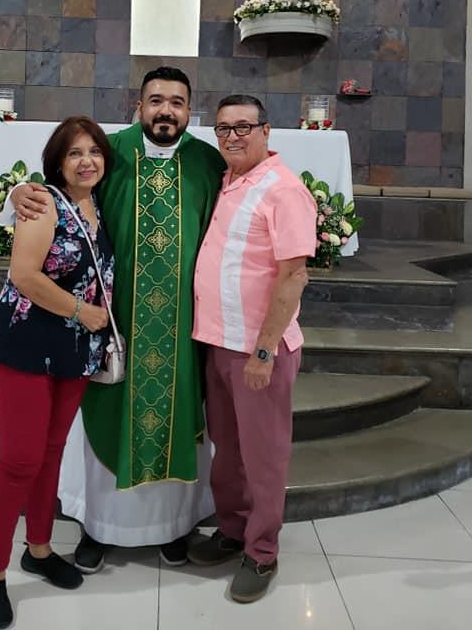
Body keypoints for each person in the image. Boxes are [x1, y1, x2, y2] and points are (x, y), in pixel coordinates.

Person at [8, 68, 225, 573]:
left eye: (176, 101)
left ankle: (173, 527)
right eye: (155, 100)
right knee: (104, 420)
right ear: (139, 105)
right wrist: (22, 191)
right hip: (110, 322)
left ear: (189, 109)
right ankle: (98, 528)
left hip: (180, 328)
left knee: (176, 423)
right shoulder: (111, 153)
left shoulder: (207, 163)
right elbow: (61, 193)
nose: (165, 110)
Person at [0, 116, 113, 629]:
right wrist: (84, 312)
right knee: (18, 460)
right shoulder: (43, 202)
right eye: (75, 153)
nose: (86, 161)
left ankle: (38, 547)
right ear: (57, 161)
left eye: (94, 152)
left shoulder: (95, 204)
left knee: (52, 451)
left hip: (75, 349)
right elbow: (24, 275)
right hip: (27, 343)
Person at [188, 95, 316, 604]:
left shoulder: (284, 190)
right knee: (228, 449)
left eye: (243, 127)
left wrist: (264, 351)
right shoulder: (230, 180)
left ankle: (262, 551)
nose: (233, 136)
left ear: (267, 130)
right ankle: (234, 528)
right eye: (223, 129)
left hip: (257, 349)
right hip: (219, 341)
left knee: (262, 455)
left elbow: (293, 275)